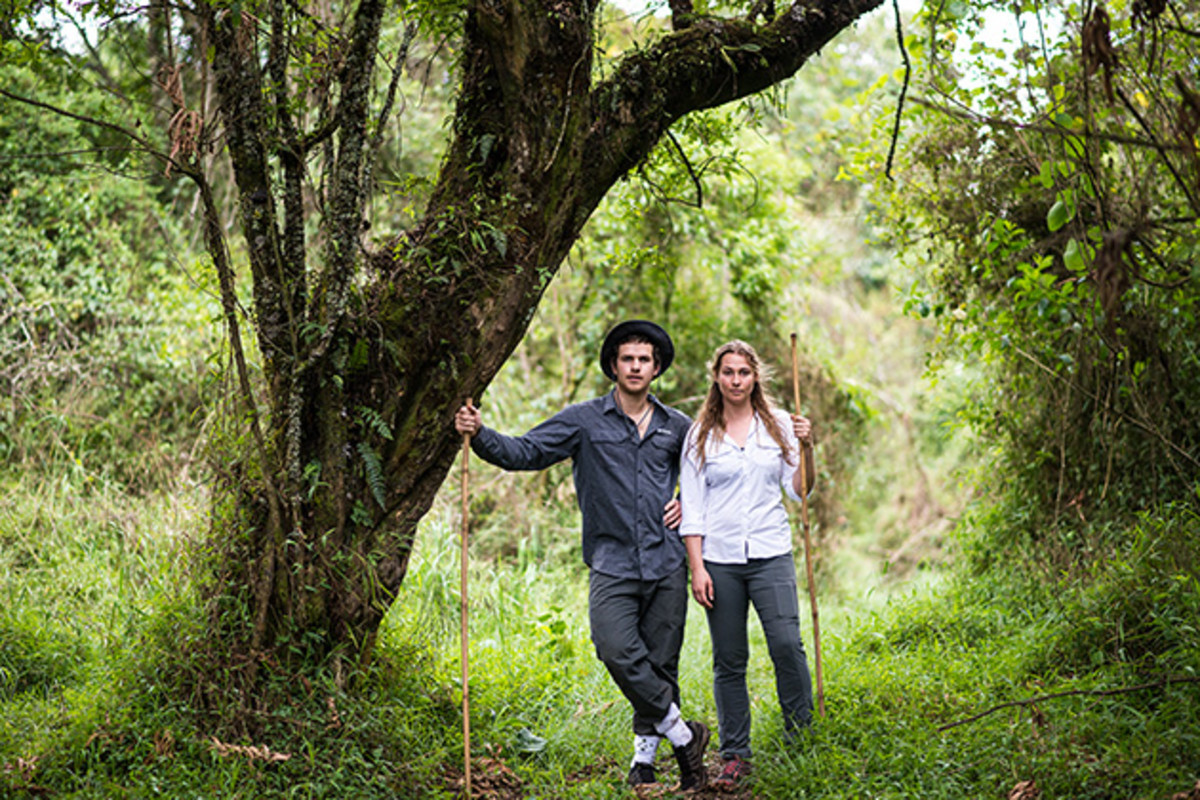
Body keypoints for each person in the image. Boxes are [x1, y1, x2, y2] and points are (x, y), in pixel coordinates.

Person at [454, 320, 711, 791]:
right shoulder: (583, 421)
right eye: (627, 359)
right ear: (613, 365)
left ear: (657, 369)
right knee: (614, 647)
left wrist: (689, 503)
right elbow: (525, 452)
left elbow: (709, 480)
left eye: (644, 360)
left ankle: (647, 764)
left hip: (667, 561)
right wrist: (481, 432)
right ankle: (683, 734)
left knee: (660, 663)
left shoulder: (679, 427)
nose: (635, 367)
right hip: (611, 562)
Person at [677, 339, 817, 789]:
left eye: (743, 372)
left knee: (786, 645)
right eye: (728, 372)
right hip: (719, 560)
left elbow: (800, 490)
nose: (736, 380)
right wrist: (697, 568)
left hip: (771, 552)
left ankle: (802, 738)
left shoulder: (778, 426)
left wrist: (808, 447)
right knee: (730, 658)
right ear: (716, 377)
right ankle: (735, 753)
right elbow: (692, 507)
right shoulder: (700, 434)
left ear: (755, 377)